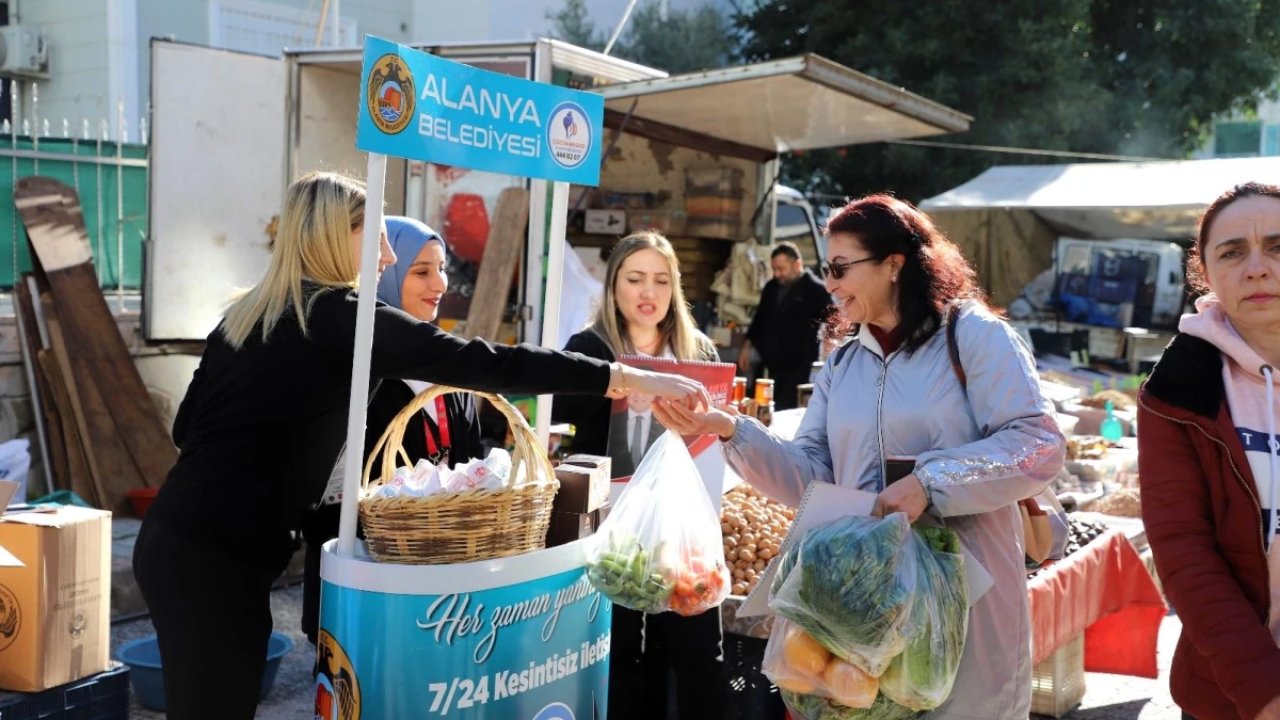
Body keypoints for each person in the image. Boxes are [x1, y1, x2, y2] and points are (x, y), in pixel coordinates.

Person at [132, 172, 707, 720]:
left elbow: (187, 429)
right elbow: (486, 363)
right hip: (217, 561)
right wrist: (629, 378)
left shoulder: (249, 313)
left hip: (179, 539)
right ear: (336, 236)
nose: (385, 256)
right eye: (375, 237)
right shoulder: (343, 318)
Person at [655, 194, 1066, 720]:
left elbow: (1038, 443)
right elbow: (810, 476)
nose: (829, 282)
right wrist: (730, 431)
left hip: (964, 613)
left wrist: (929, 483)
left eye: (839, 267)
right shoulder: (843, 363)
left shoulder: (975, 336)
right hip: (859, 619)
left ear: (894, 264)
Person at [553, 230, 726, 719]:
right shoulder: (589, 348)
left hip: (686, 533)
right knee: (625, 654)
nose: (648, 293)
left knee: (698, 653)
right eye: (634, 279)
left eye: (661, 281)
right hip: (616, 530)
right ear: (613, 288)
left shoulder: (700, 354)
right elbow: (559, 422)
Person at [298, 215, 483, 645]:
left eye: (442, 270)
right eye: (421, 272)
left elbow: (471, 465)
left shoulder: (451, 369)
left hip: (437, 595)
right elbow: (327, 494)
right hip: (361, 587)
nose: (439, 285)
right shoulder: (352, 372)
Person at [1137, 182, 1280, 720]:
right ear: (1206, 271)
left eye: (1278, 246)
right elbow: (1184, 551)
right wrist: (1265, 693)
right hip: (1235, 691)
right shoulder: (1178, 391)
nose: (1258, 268)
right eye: (1233, 251)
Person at [737, 241, 833, 409]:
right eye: (774, 269)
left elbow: (834, 319)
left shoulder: (815, 290)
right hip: (769, 363)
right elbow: (759, 318)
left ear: (797, 264)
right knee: (761, 407)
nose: (777, 274)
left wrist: (829, 342)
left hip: (798, 366)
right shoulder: (771, 287)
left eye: (782, 268)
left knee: (785, 409)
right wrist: (746, 346)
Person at [607, 391, 663, 477]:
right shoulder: (609, 422)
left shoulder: (666, 427)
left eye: (645, 389)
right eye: (634, 389)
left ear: (654, 394)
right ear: (626, 392)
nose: (639, 394)